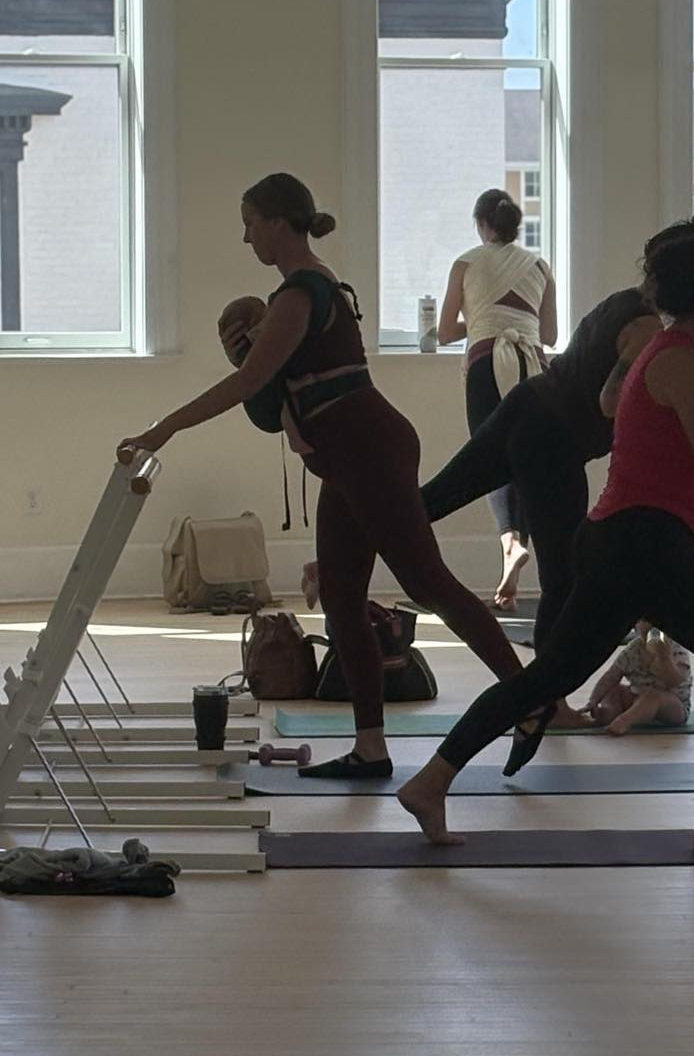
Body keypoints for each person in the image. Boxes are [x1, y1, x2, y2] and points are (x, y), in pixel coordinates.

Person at [117, 172, 530, 780]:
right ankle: (370, 748)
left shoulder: (301, 293)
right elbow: (281, 397)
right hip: (350, 456)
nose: (245, 236)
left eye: (250, 223)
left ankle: (533, 699)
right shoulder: (306, 290)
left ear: (278, 223)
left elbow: (246, 384)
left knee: (428, 581)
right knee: (340, 601)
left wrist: (162, 429)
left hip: (368, 448)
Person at [397, 226, 694, 853]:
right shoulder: (683, 361)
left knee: (546, 678)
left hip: (614, 538)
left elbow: (615, 404)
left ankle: (432, 781)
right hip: (646, 543)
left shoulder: (660, 353)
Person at [420, 213, 694, 653]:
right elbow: (612, 402)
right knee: (562, 576)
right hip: (551, 440)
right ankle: (548, 696)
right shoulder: (646, 329)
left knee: (432, 501)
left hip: (527, 408)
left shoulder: (621, 302)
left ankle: (337, 549)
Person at [438, 189, 557, 607]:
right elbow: (550, 336)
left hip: (488, 361)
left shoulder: (467, 262)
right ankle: (523, 548)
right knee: (527, 458)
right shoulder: (540, 265)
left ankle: (510, 543)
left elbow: (445, 332)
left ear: (481, 224)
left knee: (489, 457)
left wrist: (480, 317)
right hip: (534, 366)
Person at [587, 622, 693, 735]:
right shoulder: (632, 650)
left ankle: (624, 720)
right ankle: (609, 713)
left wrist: (664, 658)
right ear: (635, 627)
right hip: (637, 698)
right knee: (613, 689)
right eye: (646, 619)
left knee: (653, 696)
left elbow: (675, 680)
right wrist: (593, 700)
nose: (653, 624)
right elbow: (611, 676)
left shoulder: (675, 648)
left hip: (672, 707)